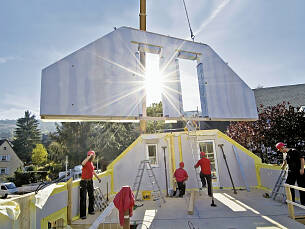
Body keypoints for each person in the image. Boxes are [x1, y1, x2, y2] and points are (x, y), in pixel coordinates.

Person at [80, 150, 101, 219]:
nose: (93, 157)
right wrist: (89, 157)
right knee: (83, 198)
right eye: (92, 155)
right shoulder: (86, 161)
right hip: (84, 182)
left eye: (93, 155)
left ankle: (91, 210)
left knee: (91, 196)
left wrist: (98, 178)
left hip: (90, 181)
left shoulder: (91, 163)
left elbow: (93, 172)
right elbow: (82, 164)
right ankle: (83, 215)